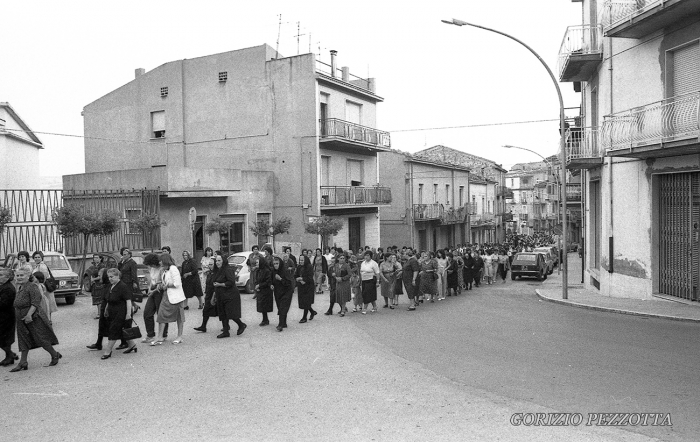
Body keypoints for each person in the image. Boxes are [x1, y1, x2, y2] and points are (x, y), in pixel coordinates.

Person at [10, 266, 60, 372]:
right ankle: (23, 362)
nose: (19, 277)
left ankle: (54, 355)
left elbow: (36, 302)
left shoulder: (32, 286)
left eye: (21, 275)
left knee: (41, 338)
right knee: (23, 340)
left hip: (34, 317)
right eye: (17, 275)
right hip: (21, 319)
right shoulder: (20, 287)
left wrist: (29, 315)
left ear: (28, 276)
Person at [100, 268, 138, 359]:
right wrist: (106, 309)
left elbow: (128, 301)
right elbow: (108, 299)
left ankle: (108, 351)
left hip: (122, 311)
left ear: (118, 276)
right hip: (113, 311)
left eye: (112, 277)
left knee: (113, 330)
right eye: (109, 277)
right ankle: (132, 345)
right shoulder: (111, 286)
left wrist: (128, 314)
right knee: (122, 330)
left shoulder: (123, 286)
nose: (110, 279)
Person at [151, 254, 186, 345]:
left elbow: (177, 283)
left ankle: (179, 336)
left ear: (165, 260)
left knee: (179, 316)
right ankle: (159, 337)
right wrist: (160, 284)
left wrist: (166, 285)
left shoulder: (173, 269)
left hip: (176, 296)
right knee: (161, 315)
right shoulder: (164, 270)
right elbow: (163, 281)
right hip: (166, 295)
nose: (159, 262)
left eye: (161, 260)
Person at [211, 254, 246, 338]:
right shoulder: (217, 271)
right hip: (221, 294)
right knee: (222, 313)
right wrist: (214, 296)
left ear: (223, 261)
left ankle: (241, 325)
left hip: (230, 294)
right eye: (216, 261)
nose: (217, 262)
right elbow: (214, 284)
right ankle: (226, 331)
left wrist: (220, 284)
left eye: (219, 260)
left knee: (231, 313)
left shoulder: (228, 269)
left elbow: (231, 282)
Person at [140, 254, 168, 342]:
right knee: (147, 313)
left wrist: (153, 290)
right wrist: (149, 289)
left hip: (159, 291)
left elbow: (161, 283)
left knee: (161, 313)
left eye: (150, 264)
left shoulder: (161, 269)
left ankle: (163, 334)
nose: (149, 266)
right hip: (153, 290)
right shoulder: (152, 268)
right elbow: (152, 280)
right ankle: (150, 334)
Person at [117, 247, 139, 349]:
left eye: (126, 254)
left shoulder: (132, 263)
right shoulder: (123, 262)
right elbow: (118, 271)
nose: (124, 255)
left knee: (127, 306)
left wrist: (135, 282)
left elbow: (134, 273)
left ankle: (127, 340)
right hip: (122, 284)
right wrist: (120, 262)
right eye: (123, 254)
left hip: (129, 284)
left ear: (129, 255)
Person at [86, 268, 110, 351]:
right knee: (101, 326)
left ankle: (127, 342)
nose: (99, 278)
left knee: (114, 328)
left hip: (110, 310)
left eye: (100, 276)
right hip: (105, 309)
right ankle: (99, 344)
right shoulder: (105, 285)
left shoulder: (109, 286)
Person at [194, 253, 217, 333]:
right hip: (209, 295)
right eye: (209, 264)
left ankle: (228, 326)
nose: (209, 266)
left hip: (215, 295)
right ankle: (203, 326)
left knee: (222, 312)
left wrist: (214, 297)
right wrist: (206, 294)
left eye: (211, 264)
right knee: (205, 310)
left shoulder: (217, 273)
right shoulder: (209, 273)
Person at [0, 268, 18, 366]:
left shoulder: (8, 288)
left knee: (4, 338)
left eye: (1, 275)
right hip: (3, 315)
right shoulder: (3, 286)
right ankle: (10, 355)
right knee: (3, 338)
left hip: (6, 316)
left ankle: (9, 356)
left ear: (8, 277)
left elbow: (4, 303)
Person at [271, 255, 294, 331]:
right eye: (274, 264)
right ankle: (284, 323)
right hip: (278, 292)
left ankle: (280, 324)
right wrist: (271, 285)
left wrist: (280, 279)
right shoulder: (273, 271)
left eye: (277, 263)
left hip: (287, 291)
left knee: (283, 307)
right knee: (280, 307)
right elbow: (271, 280)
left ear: (280, 263)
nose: (275, 265)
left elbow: (289, 282)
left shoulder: (285, 271)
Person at [295, 254, 316, 323]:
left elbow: (310, 277)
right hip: (301, 286)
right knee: (304, 301)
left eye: (302, 260)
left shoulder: (309, 267)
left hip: (308, 286)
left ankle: (304, 317)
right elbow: (296, 275)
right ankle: (312, 312)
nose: (301, 262)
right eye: (300, 260)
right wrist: (299, 279)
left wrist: (303, 279)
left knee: (307, 301)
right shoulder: (299, 267)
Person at [255, 256, 274, 326]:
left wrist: (259, 285)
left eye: (257, 262)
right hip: (260, 290)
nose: (256, 264)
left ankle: (265, 319)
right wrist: (257, 285)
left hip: (266, 290)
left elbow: (268, 281)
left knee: (264, 305)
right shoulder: (258, 270)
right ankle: (265, 319)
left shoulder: (267, 270)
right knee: (261, 305)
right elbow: (257, 280)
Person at [86, 254, 106, 319]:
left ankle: (100, 314)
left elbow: (101, 276)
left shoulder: (102, 266)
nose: (95, 259)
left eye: (97, 258)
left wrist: (93, 279)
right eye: (94, 258)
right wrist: (92, 279)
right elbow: (92, 273)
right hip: (95, 284)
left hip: (100, 284)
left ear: (100, 259)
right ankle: (99, 313)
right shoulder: (94, 266)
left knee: (100, 299)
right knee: (97, 299)